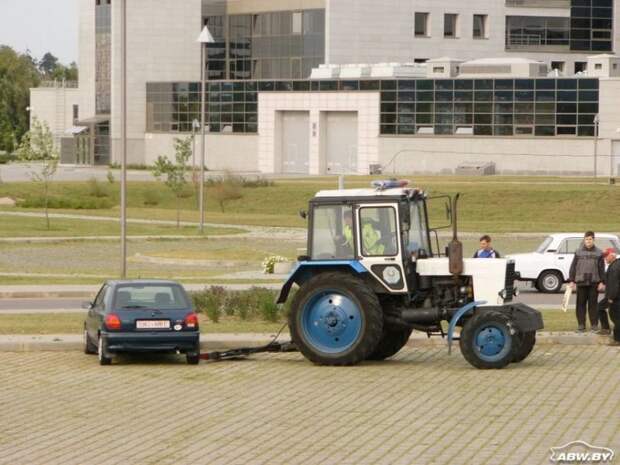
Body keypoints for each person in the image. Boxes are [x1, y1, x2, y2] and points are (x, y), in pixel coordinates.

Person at [568, 231, 605, 333]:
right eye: (586, 239)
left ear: (593, 240)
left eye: (590, 239)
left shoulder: (599, 252)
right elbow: (573, 267)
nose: (588, 241)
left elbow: (601, 268)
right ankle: (581, 325)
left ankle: (594, 325)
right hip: (581, 282)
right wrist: (572, 280)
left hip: (594, 283)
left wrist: (602, 282)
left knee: (593, 305)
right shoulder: (578, 252)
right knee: (580, 304)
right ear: (584, 240)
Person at [597, 248, 620, 344]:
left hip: (615, 297)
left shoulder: (615, 267)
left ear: (611, 255)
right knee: (600, 307)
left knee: (616, 317)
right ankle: (606, 328)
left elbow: (615, 284)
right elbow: (609, 280)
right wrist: (603, 283)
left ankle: (617, 340)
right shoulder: (614, 265)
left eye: (606, 256)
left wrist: (611, 298)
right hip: (613, 295)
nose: (605, 259)